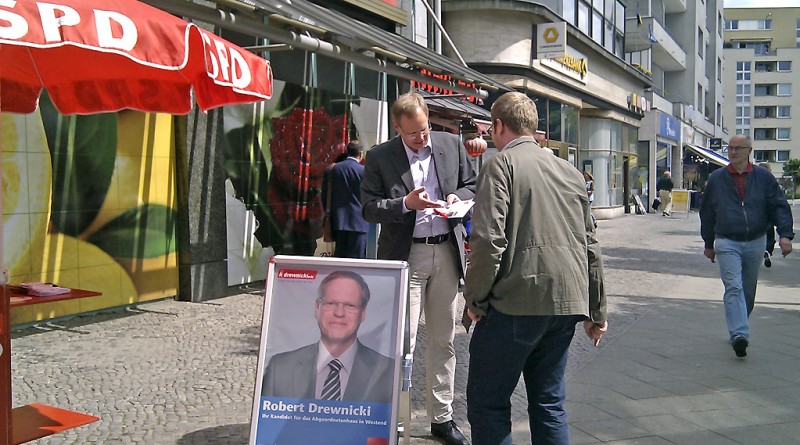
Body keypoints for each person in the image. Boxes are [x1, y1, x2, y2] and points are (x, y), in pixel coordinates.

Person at [463, 92, 608, 445]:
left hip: (517, 301)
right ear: (533, 126)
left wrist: (475, 299)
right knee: (548, 403)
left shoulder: (500, 164)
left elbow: (488, 240)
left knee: (488, 403)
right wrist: (597, 309)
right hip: (565, 303)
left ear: (498, 126)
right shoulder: (569, 172)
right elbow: (589, 243)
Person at [361, 91, 475, 445]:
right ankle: (393, 418)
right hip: (404, 255)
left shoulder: (450, 144)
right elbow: (368, 207)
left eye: (424, 130)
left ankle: (442, 418)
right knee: (401, 341)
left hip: (445, 252)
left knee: (444, 339)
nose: (421, 138)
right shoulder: (381, 156)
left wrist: (459, 197)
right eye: (413, 134)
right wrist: (405, 204)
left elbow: (472, 183)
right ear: (398, 128)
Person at [700, 134, 794, 358]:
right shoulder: (716, 178)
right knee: (734, 287)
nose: (732, 152)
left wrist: (785, 235)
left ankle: (739, 322)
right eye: (730, 148)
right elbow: (707, 213)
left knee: (748, 290)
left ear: (749, 150)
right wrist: (708, 243)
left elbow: (778, 206)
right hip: (726, 239)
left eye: (738, 148)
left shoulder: (763, 177)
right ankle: (739, 334)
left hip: (755, 240)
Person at [261, 271, 393, 403]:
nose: (339, 313)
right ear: (317, 308)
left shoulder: (387, 372)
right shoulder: (280, 368)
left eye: (350, 305)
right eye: (331, 303)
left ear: (363, 313)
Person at [321, 141, 369, 258]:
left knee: (339, 258)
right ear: (361, 154)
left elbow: (324, 195)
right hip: (359, 223)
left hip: (337, 221)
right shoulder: (364, 171)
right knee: (357, 260)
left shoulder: (331, 169)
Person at [757, 162, 777, 268]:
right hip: (768, 215)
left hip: (755, 216)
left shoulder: (753, 181)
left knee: (756, 235)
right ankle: (767, 251)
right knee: (770, 236)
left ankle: (759, 251)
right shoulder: (771, 182)